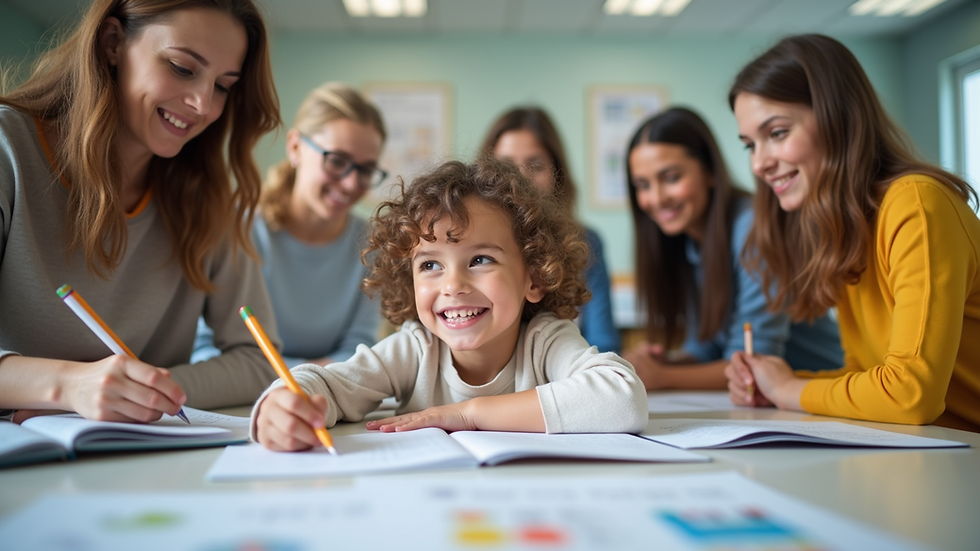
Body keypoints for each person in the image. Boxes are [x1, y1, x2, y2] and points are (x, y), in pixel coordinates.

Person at [0, 0, 283, 424]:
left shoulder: (206, 196)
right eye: (182, 68)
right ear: (113, 43)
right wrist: (67, 385)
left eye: (223, 85)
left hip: (139, 454)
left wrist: (142, 391)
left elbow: (259, 360)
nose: (203, 104)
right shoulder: (8, 150)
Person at [252, 159, 648, 451]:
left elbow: (623, 398)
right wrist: (282, 405)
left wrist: (469, 415)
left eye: (480, 260)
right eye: (430, 265)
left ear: (534, 277)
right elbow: (327, 384)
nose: (453, 285)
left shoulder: (545, 340)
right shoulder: (415, 348)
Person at [726, 34, 980, 432]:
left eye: (777, 133)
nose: (759, 163)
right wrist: (779, 386)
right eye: (749, 145)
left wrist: (790, 388)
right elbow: (868, 374)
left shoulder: (917, 204)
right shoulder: (845, 225)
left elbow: (909, 395)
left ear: (838, 118)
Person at [623, 107, 842, 391]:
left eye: (672, 177)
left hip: (823, 393)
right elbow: (706, 350)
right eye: (642, 185)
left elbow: (752, 362)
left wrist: (661, 378)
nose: (657, 198)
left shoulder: (754, 229)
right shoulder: (689, 245)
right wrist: (661, 365)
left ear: (710, 172)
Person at [194, 82, 384, 367]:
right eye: (337, 161)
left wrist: (293, 379)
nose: (351, 183)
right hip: (237, 402)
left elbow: (360, 352)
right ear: (295, 147)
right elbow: (205, 349)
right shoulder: (235, 229)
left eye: (366, 170)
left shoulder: (373, 245)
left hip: (324, 401)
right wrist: (305, 376)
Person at [479, 107, 620, 353]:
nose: (520, 178)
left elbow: (604, 345)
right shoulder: (463, 244)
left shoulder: (586, 242)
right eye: (506, 166)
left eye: (535, 165)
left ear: (557, 174)